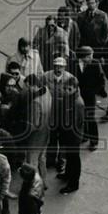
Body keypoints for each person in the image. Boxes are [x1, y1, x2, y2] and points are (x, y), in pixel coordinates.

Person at [44, 57, 84, 190]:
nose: (65, 91)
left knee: (73, 159)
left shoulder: (77, 103)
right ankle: (67, 174)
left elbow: (74, 123)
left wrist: (64, 131)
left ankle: (73, 184)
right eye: (65, 88)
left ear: (75, 89)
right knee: (69, 158)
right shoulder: (70, 98)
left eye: (68, 89)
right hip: (67, 134)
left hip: (73, 136)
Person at [75, 46, 108, 148]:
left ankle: (94, 141)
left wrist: (94, 91)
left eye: (91, 56)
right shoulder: (74, 64)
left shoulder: (95, 64)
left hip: (90, 96)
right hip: (78, 95)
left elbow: (101, 81)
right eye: (89, 57)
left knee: (90, 118)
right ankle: (84, 136)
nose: (91, 58)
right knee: (81, 117)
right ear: (82, 57)